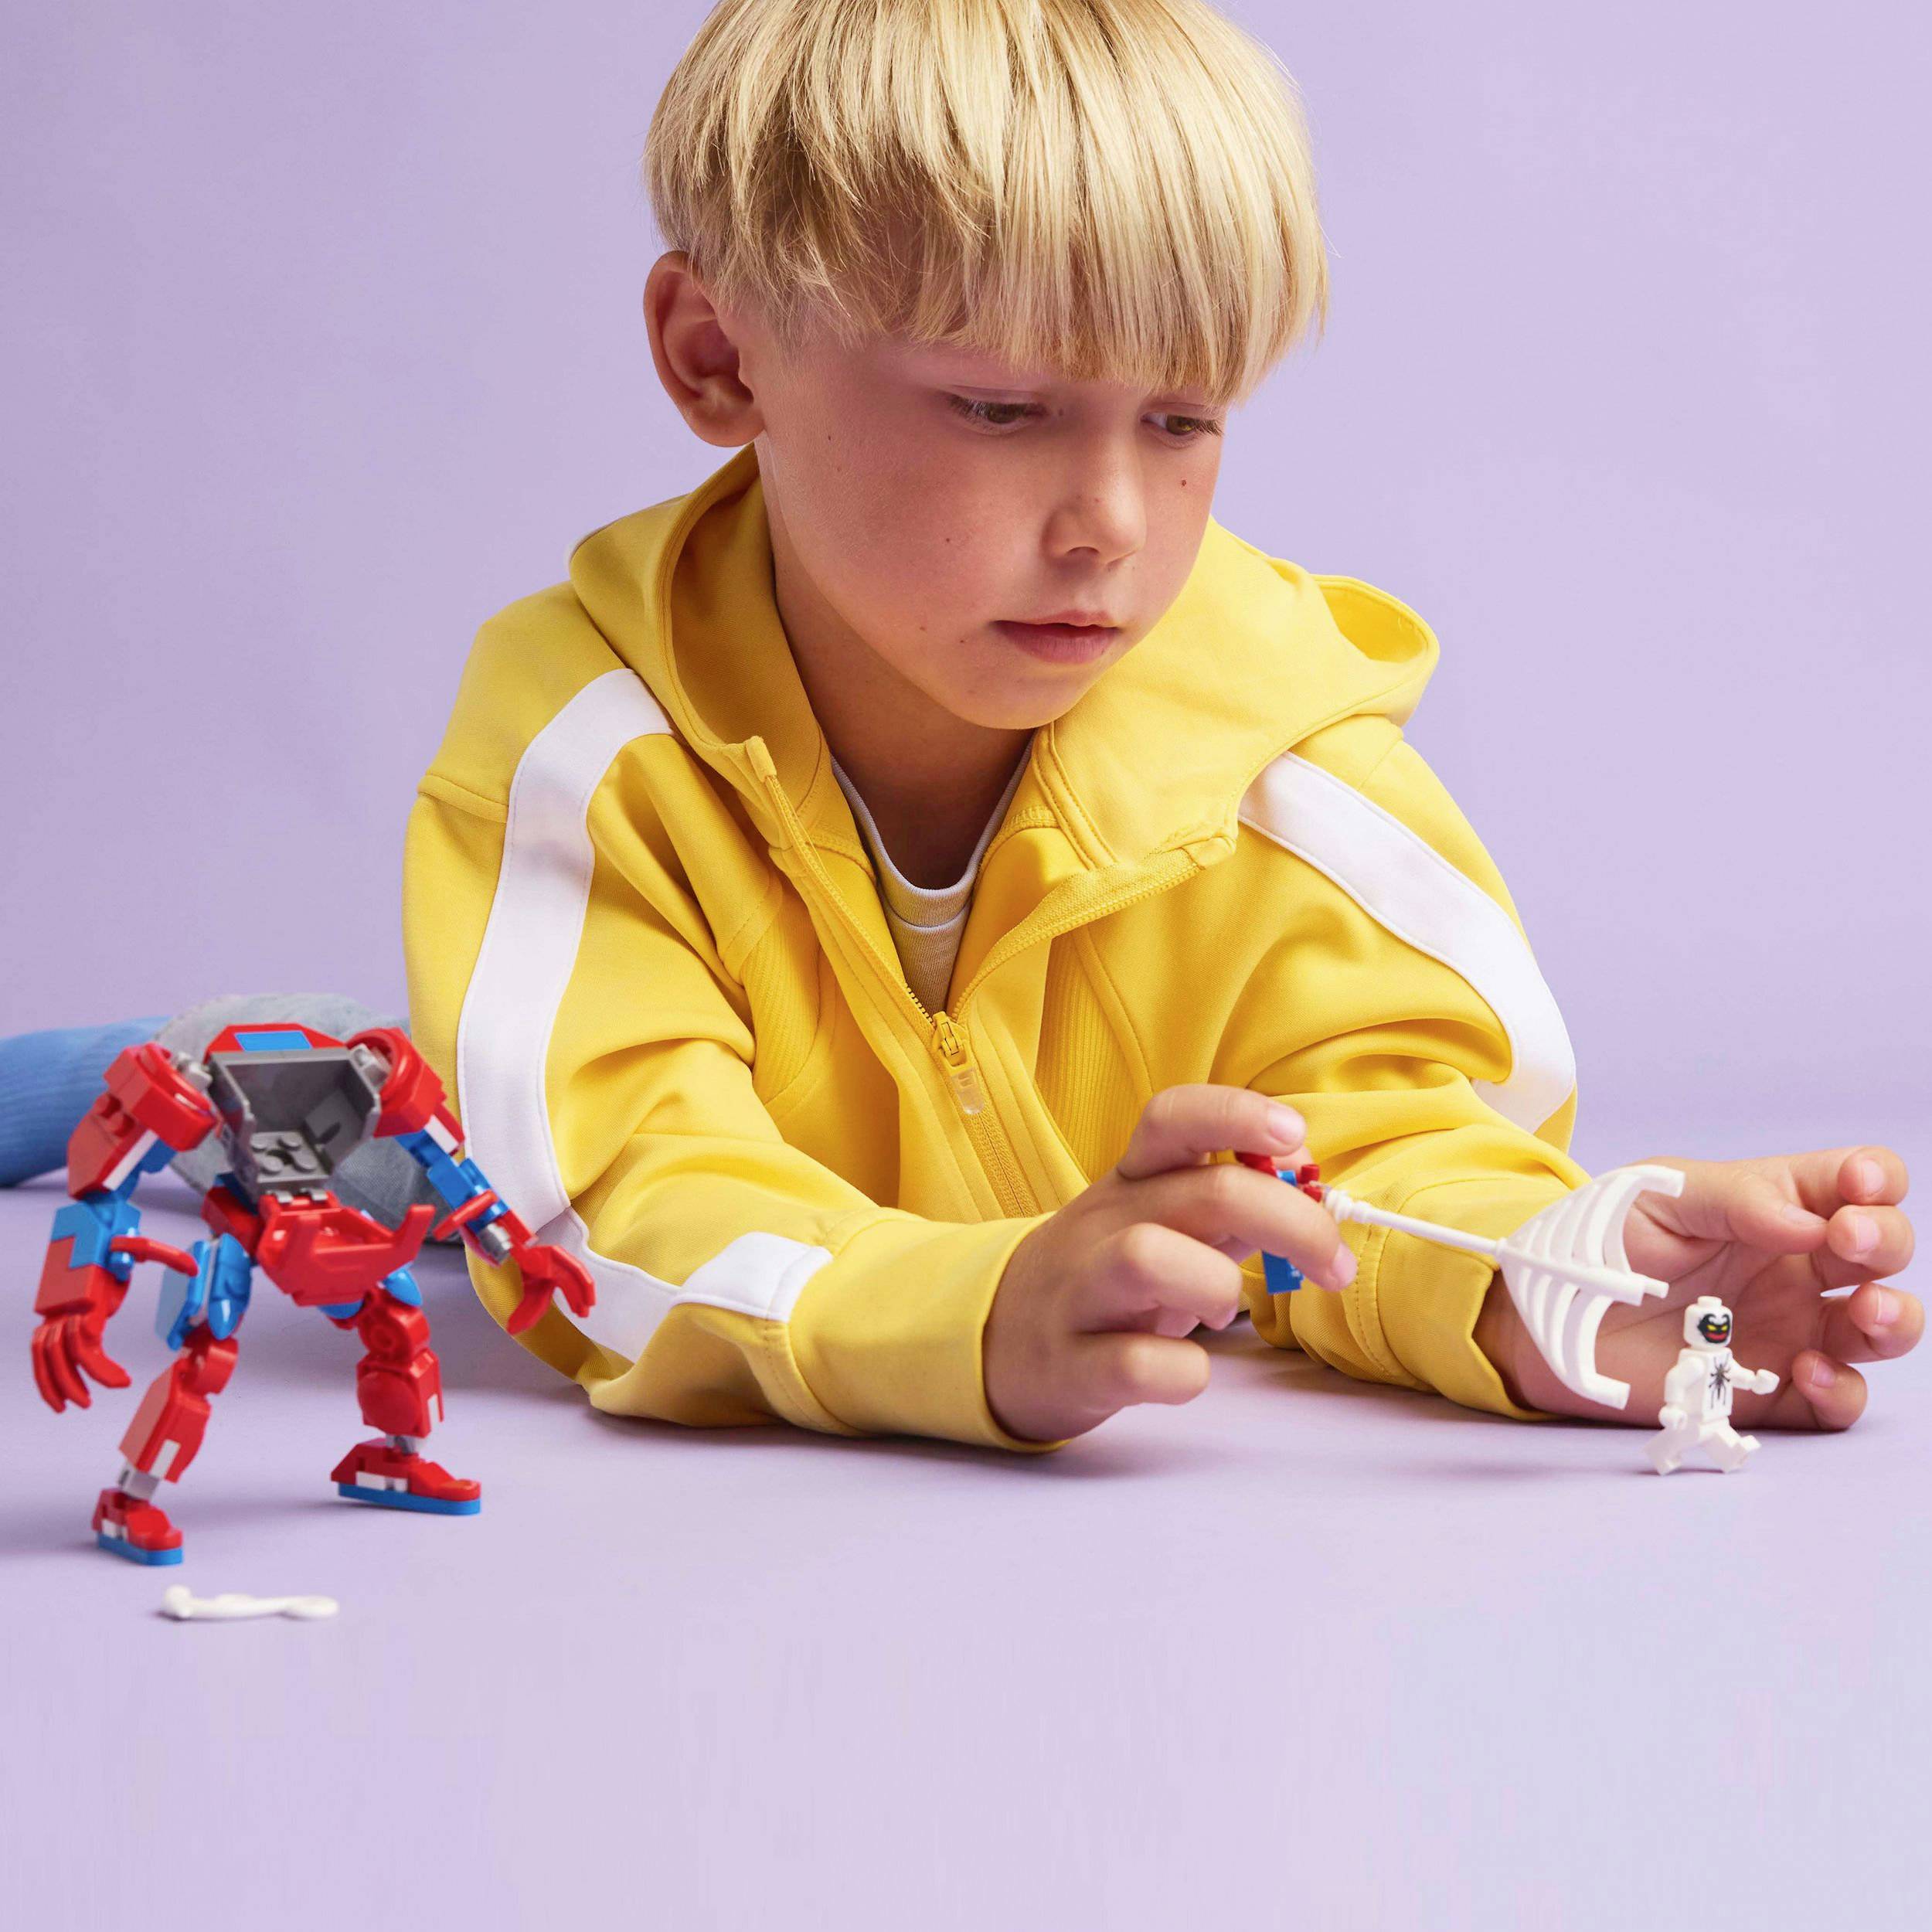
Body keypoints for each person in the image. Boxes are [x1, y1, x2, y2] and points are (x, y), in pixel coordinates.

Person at [10, 0, 1916, 1453]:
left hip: (707, 1136)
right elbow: (610, 1204)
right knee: (317, 1117)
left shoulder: (1283, 763)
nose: (1108, 521)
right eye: (1000, 409)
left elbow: (1387, 1148)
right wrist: (968, 1311)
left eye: (1179, 422)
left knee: (381, 1097)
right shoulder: (590, 743)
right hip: (499, 1110)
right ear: (716, 358)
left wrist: (1559, 1282)